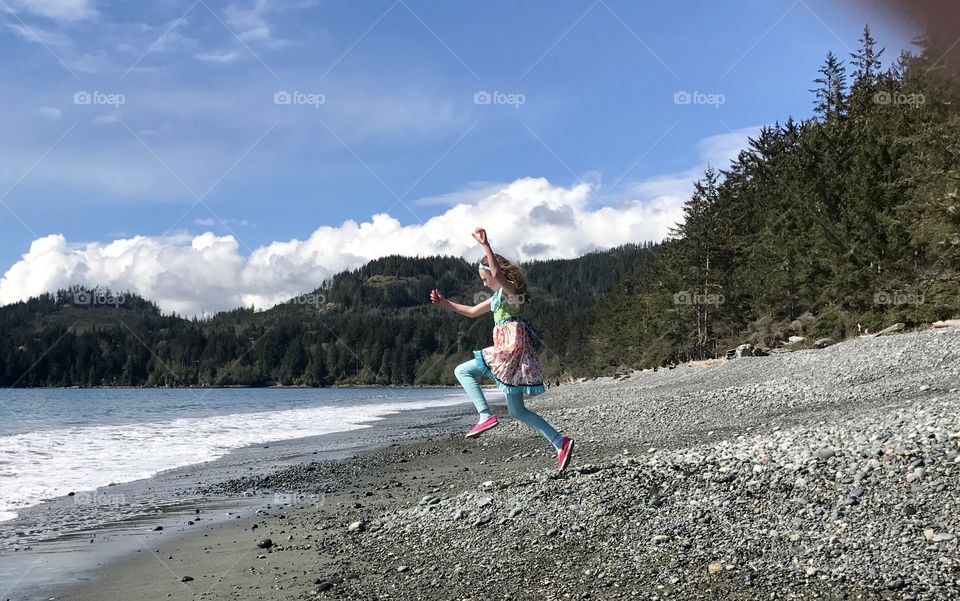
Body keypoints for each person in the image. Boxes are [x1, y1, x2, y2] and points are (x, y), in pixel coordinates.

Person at [429, 227, 574, 472]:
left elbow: (496, 272)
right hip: (512, 351)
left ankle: (485, 415)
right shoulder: (497, 297)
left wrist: (486, 246)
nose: (483, 280)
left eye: (483, 275)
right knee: (517, 410)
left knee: (463, 371)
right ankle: (561, 443)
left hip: (509, 349)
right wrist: (445, 304)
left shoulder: (511, 292)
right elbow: (472, 312)